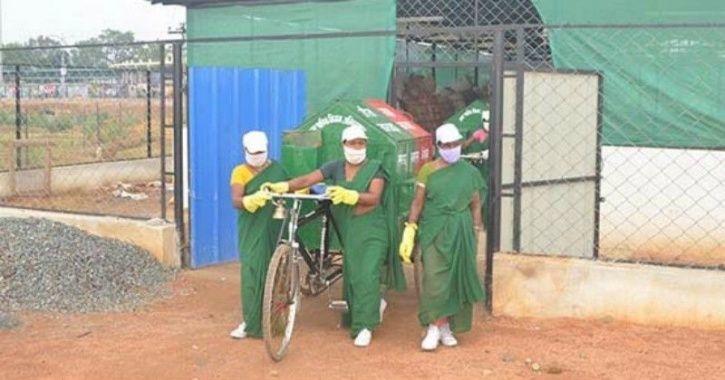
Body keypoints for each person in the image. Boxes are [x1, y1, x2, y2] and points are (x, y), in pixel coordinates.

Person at [264, 125, 405, 348]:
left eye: (361, 143)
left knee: (367, 274)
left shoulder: (375, 169)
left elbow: (374, 197)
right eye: (352, 143)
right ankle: (371, 307)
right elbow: (308, 180)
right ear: (343, 145)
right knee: (354, 274)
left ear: (366, 145)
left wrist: (350, 195)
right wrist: (284, 186)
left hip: (372, 229)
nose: (357, 147)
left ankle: (366, 326)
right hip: (350, 230)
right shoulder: (335, 167)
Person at [399, 123, 485, 351]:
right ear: (438, 147)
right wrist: (410, 227)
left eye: (455, 144)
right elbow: (418, 202)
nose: (452, 148)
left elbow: (476, 204)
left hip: (461, 229)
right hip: (434, 229)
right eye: (446, 145)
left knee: (456, 279)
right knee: (435, 280)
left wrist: (476, 231)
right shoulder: (428, 171)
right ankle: (434, 327)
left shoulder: (470, 172)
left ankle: (444, 327)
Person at [229, 131, 288, 340]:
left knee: (277, 272)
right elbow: (235, 199)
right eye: (253, 152)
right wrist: (249, 200)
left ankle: (274, 321)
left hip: (275, 226)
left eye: (260, 152)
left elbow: (290, 187)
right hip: (252, 228)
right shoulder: (240, 172)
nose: (257, 156)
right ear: (245, 151)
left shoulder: (277, 169)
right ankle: (251, 322)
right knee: (252, 272)